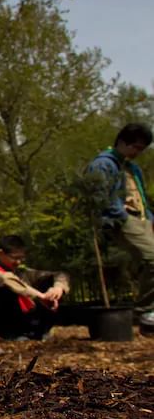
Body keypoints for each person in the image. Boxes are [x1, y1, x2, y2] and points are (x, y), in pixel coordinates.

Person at [86, 123, 154, 327]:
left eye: (142, 149)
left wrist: (150, 218)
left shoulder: (131, 167)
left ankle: (146, 311)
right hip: (122, 219)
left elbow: (140, 195)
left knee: (146, 263)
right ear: (122, 142)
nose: (137, 153)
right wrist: (121, 216)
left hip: (141, 219)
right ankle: (144, 311)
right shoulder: (103, 164)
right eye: (135, 147)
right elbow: (100, 197)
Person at [0, 235, 71, 340]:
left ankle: (40, 331)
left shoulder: (23, 272)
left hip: (29, 317)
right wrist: (40, 296)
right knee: (6, 290)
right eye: (14, 258)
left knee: (51, 285)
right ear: (1, 253)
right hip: (2, 321)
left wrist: (57, 288)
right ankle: (15, 335)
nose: (18, 262)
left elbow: (60, 274)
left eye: (21, 258)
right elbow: (7, 279)